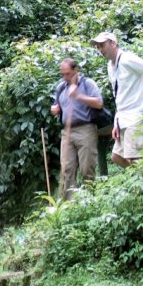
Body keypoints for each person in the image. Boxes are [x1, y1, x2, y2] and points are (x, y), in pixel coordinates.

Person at [89, 32, 143, 168]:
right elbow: (119, 95)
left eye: (102, 45)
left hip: (138, 117)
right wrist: (116, 122)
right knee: (117, 157)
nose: (100, 49)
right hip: (124, 119)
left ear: (113, 43)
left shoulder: (128, 59)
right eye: (97, 47)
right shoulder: (110, 66)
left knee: (137, 161)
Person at [49, 58, 104, 198]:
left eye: (67, 74)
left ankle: (89, 201)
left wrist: (78, 96)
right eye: (62, 74)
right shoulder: (61, 87)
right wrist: (56, 109)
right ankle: (71, 206)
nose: (65, 77)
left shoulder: (87, 83)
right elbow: (58, 106)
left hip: (85, 129)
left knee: (87, 169)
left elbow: (99, 103)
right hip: (66, 133)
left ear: (75, 70)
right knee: (67, 170)